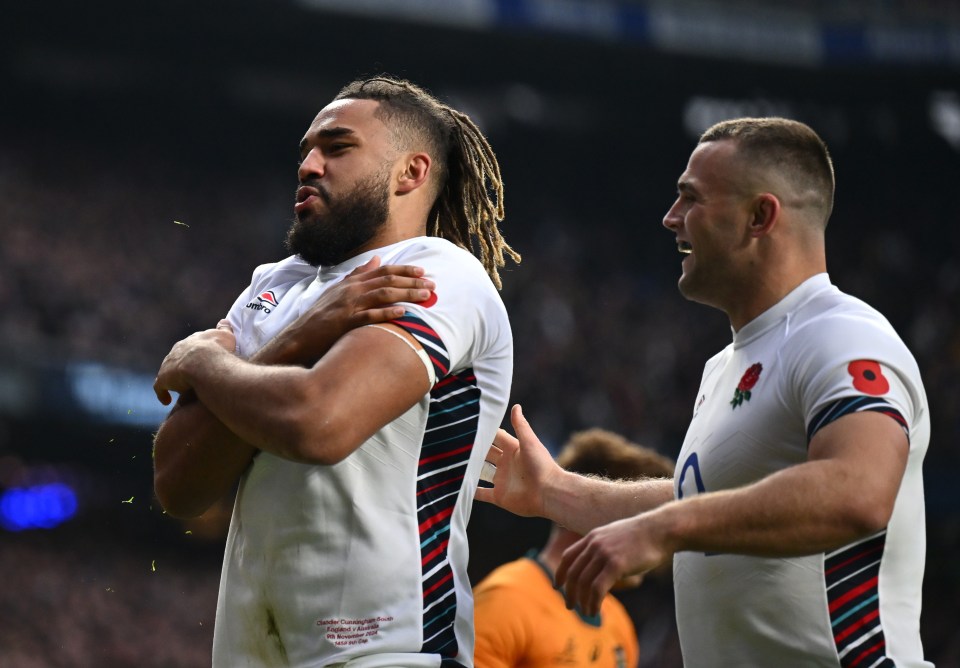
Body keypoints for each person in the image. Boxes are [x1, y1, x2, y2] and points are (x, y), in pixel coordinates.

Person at [477, 118, 933, 667]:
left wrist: (665, 528)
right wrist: (557, 493)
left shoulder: (842, 336)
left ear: (760, 216)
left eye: (691, 199)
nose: (671, 218)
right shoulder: (726, 365)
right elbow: (701, 497)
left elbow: (859, 490)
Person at [152, 76, 520, 668]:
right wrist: (299, 336)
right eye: (305, 151)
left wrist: (207, 362)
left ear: (411, 172)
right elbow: (178, 483)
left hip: (390, 652)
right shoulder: (272, 286)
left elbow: (318, 423)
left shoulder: (437, 273)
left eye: (337, 147)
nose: (309, 165)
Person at [472, 428, 674, 668]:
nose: (658, 541)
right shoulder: (505, 601)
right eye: (647, 520)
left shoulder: (618, 624)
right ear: (599, 514)